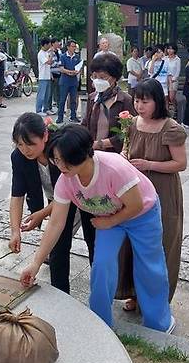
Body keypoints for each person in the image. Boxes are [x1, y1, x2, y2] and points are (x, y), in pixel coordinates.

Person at [20, 125, 175, 333]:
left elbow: (136, 205)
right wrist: (36, 263)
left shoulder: (113, 168)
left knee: (149, 266)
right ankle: (101, 322)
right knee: (101, 265)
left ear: (85, 154)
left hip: (141, 214)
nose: (60, 166)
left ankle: (160, 323)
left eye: (65, 160)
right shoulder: (66, 180)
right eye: (56, 159)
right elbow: (56, 223)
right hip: (107, 217)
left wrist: (111, 222)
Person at [116, 78, 187, 311]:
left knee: (162, 244)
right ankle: (134, 293)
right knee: (134, 243)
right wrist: (124, 159)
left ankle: (157, 300)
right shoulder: (132, 124)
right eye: (137, 100)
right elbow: (126, 149)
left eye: (145, 101)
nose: (139, 106)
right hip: (135, 191)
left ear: (157, 101)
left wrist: (148, 164)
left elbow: (180, 164)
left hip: (162, 192)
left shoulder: (171, 128)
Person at [9, 113, 95, 293]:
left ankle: (101, 286)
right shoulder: (18, 157)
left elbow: (68, 195)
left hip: (83, 194)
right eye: (20, 144)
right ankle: (61, 294)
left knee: (93, 241)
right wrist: (15, 230)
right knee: (57, 248)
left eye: (30, 143)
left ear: (45, 136)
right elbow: (17, 194)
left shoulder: (60, 151)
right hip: (57, 199)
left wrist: (42, 213)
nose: (26, 150)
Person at [83, 53, 135, 153]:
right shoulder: (93, 98)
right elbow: (85, 124)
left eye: (102, 77)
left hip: (114, 156)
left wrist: (102, 144)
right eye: (95, 77)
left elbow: (129, 132)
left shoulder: (124, 100)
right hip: (91, 153)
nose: (98, 81)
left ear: (114, 78)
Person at [57, 40, 81, 124]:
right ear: (68, 47)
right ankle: (60, 117)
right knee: (62, 100)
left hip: (73, 81)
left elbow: (79, 67)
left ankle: (73, 116)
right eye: (72, 46)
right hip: (65, 81)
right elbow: (61, 68)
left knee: (73, 99)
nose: (74, 48)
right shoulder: (63, 56)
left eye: (75, 46)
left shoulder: (77, 57)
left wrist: (77, 72)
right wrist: (69, 72)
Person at [36, 38, 54, 115]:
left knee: (47, 95)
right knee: (41, 95)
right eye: (49, 44)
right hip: (42, 77)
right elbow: (49, 62)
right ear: (45, 44)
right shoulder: (41, 54)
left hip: (47, 76)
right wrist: (51, 55)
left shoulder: (46, 53)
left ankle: (45, 109)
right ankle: (38, 110)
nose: (50, 46)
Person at [165, 44, 181, 118]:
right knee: (166, 97)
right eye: (168, 49)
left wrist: (173, 78)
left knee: (171, 97)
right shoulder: (165, 59)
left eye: (171, 49)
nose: (170, 51)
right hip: (165, 79)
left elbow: (178, 71)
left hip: (173, 79)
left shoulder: (177, 59)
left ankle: (176, 109)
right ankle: (167, 112)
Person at [48, 38, 62, 112]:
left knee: (59, 92)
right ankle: (49, 107)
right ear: (53, 43)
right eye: (56, 42)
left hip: (59, 74)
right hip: (53, 74)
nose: (58, 43)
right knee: (51, 92)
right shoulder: (50, 52)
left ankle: (60, 107)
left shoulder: (59, 51)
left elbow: (61, 60)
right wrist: (59, 65)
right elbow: (51, 63)